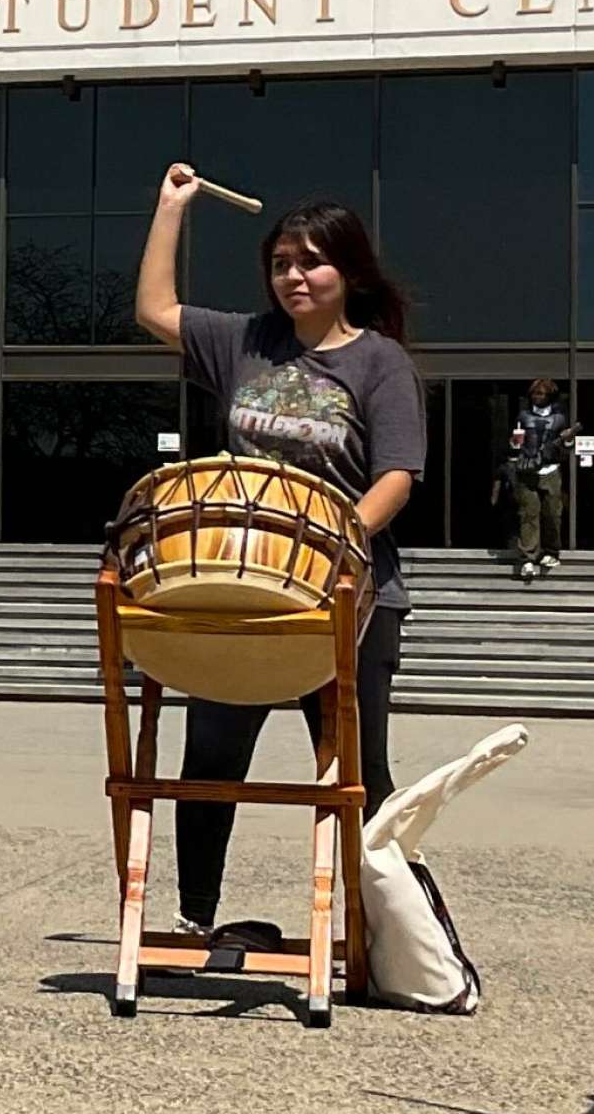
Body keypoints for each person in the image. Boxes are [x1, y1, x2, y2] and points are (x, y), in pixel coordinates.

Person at [132, 167, 424, 939]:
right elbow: (154, 309)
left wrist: (336, 544)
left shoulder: (380, 361)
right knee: (211, 764)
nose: (295, 275)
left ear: (349, 271)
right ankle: (195, 922)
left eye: (312, 260)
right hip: (245, 589)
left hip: (350, 596)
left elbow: (396, 475)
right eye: (282, 262)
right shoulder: (244, 341)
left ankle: (378, 930)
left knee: (359, 773)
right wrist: (171, 210)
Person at [504, 379, 572, 582]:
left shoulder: (560, 419)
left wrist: (567, 440)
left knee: (552, 513)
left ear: (550, 396)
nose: (537, 397)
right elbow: (514, 444)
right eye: (535, 394)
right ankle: (528, 557)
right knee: (528, 513)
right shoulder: (523, 417)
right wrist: (515, 445)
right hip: (527, 469)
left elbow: (567, 446)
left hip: (551, 470)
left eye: (541, 394)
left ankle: (551, 552)